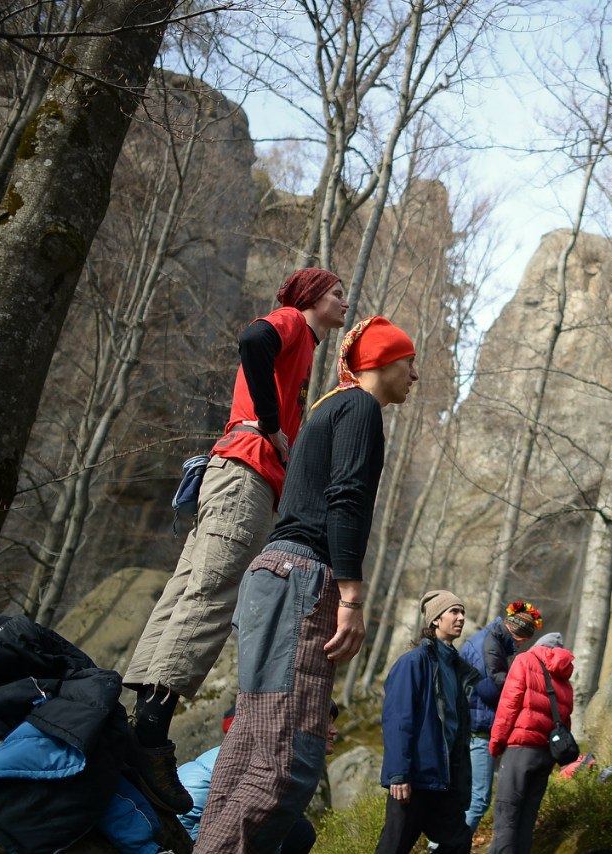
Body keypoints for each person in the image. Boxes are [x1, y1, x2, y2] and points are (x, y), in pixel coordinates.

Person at [123, 268, 348, 811]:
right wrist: (271, 424)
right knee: (213, 594)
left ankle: (132, 719)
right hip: (244, 471)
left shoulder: (305, 346)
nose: (344, 302)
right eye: (337, 294)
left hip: (232, 474)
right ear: (313, 299)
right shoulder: (293, 321)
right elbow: (252, 340)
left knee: (186, 590)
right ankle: (151, 735)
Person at [195, 315, 419, 852]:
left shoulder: (326, 407)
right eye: (410, 363)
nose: (415, 376)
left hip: (272, 573)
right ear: (382, 361)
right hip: (304, 578)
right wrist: (351, 596)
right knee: (288, 761)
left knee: (249, 745)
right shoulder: (360, 406)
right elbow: (345, 500)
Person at [374, 590, 482, 854]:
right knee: (394, 847)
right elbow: (398, 720)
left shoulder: (457, 669)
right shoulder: (413, 663)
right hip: (414, 779)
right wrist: (399, 773)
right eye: (454, 612)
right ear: (435, 620)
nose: (461, 618)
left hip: (443, 781)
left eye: (462, 612)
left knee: (458, 841)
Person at [178, 701, 341, 852]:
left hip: (184, 825)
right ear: (304, 724)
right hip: (185, 834)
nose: (334, 730)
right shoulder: (273, 761)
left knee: (298, 830)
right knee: (300, 833)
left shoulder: (271, 751)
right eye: (326, 722)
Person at [456, 600, 542, 836]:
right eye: (524, 640)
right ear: (520, 635)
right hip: (478, 731)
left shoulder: (490, 640)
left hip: (471, 728)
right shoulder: (489, 647)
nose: (522, 645)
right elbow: (490, 689)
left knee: (464, 798)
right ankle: (448, 848)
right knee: (479, 800)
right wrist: (524, 690)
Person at [486, 632, 573, 854]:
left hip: (520, 749)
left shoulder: (525, 660)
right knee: (527, 816)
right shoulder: (565, 678)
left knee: (507, 814)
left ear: (539, 646)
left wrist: (496, 742)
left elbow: (509, 704)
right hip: (546, 754)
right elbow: (565, 719)